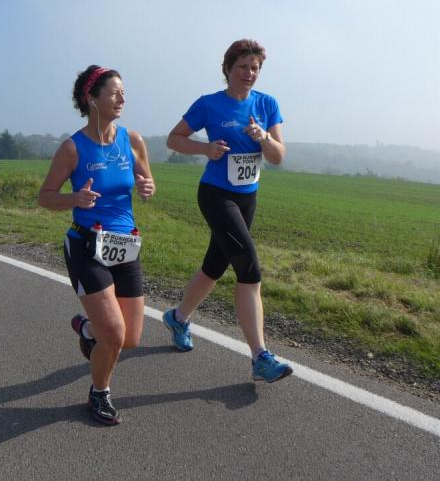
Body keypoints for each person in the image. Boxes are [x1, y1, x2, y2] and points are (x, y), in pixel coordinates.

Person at [163, 39, 292, 383]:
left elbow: (278, 156)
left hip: (248, 197)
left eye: (255, 68)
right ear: (228, 69)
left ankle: (178, 318)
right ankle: (260, 356)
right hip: (216, 195)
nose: (249, 73)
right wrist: (205, 148)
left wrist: (263, 136)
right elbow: (174, 139)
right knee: (248, 268)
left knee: (214, 266)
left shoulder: (267, 104)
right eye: (243, 67)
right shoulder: (209, 104)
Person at [39, 65, 156, 425]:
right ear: (92, 99)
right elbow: (45, 196)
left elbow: (147, 179)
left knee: (130, 339)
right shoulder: (72, 148)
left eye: (124, 92)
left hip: (125, 244)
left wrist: (147, 186)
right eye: (114, 92)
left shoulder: (132, 140)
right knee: (115, 334)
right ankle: (100, 392)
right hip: (86, 246)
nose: (122, 98)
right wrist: (74, 199)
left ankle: (89, 330)